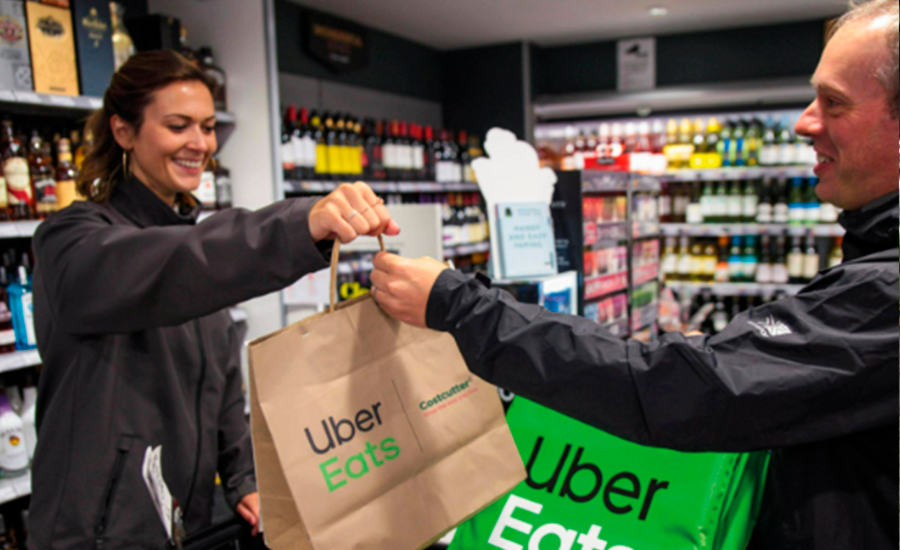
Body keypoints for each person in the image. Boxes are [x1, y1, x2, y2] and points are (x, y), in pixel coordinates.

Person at [369, 1, 899, 548]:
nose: (805, 121)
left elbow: (676, 391)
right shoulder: (876, 262)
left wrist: (457, 306)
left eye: (834, 102)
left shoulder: (887, 292)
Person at [28, 51, 398, 550]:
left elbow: (221, 387)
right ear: (123, 131)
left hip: (186, 522)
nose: (199, 144)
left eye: (206, 126)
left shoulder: (190, 247)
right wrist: (297, 225)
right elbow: (176, 261)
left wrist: (243, 478)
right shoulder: (71, 240)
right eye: (178, 126)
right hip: (97, 531)